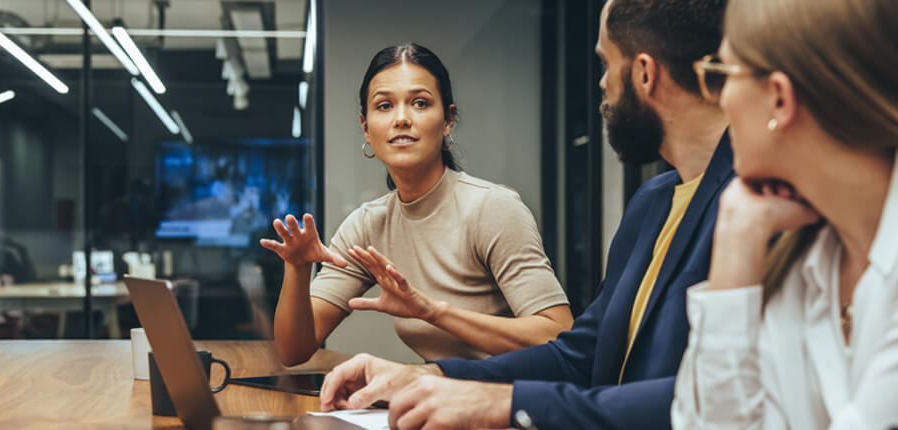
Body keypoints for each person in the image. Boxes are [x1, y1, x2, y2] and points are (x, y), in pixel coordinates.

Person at [318, 1, 731, 428]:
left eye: (607, 64)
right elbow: (579, 357)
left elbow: (722, 397)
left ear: (645, 74)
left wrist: (500, 405)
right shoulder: (652, 202)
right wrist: (425, 376)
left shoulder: (754, 206)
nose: (603, 85)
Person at [260, 43, 573, 365]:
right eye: (384, 106)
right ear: (366, 128)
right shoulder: (369, 224)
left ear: (448, 121)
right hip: (437, 401)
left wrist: (432, 311)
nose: (401, 119)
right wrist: (298, 270)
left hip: (515, 404)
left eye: (420, 103)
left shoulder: (493, 208)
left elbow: (557, 339)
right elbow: (293, 351)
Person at [671, 0, 898, 428]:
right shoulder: (806, 261)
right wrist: (736, 242)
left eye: (722, 76)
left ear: (779, 98)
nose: (718, 102)